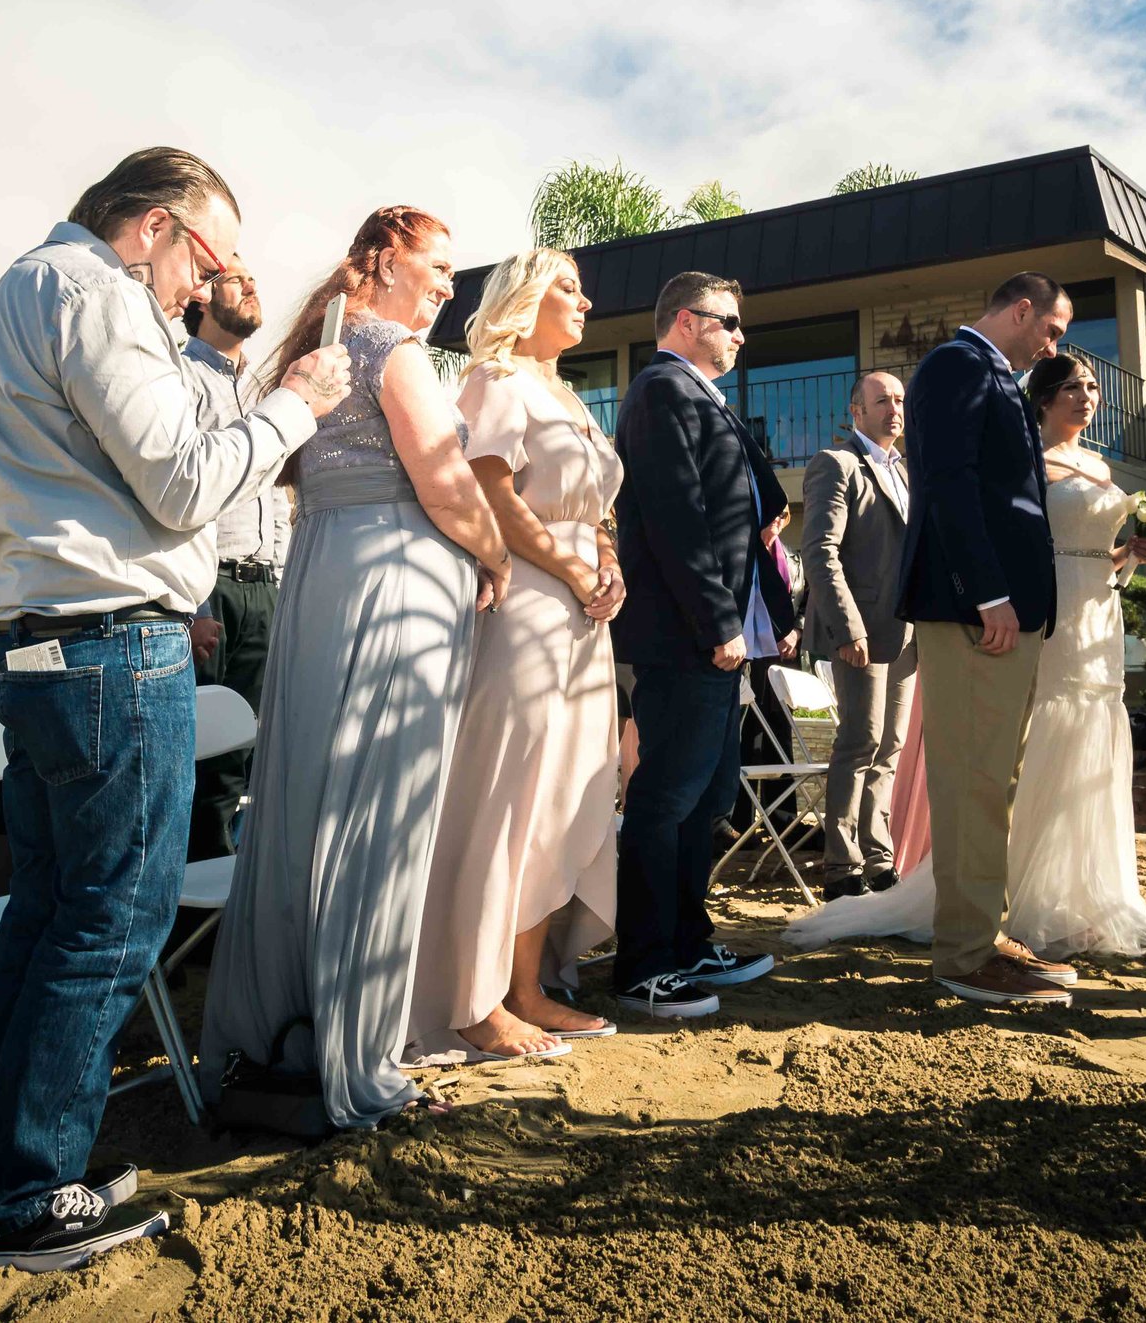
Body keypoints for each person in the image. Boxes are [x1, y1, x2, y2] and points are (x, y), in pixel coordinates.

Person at [0, 149, 351, 1276]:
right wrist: (291, 407)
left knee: (47, 915)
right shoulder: (96, 294)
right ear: (154, 229)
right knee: (114, 921)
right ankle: (24, 1197)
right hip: (108, 647)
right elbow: (180, 481)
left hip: (45, 643)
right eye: (208, 260)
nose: (205, 289)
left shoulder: (25, 289)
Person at [202, 206, 511, 1128]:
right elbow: (446, 482)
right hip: (395, 585)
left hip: (326, 574)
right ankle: (359, 1053)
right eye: (440, 265)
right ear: (382, 260)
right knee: (378, 807)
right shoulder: (394, 352)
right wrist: (495, 556)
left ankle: (291, 1035)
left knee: (309, 805)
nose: (450, 285)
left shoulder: (324, 350)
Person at [788, 350, 1146, 959]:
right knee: (899, 745)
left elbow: (1094, 556)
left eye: (1094, 386)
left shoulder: (1097, 463)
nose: (1089, 396)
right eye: (1074, 386)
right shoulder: (1017, 464)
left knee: (1081, 744)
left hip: (1098, 615)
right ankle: (856, 867)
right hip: (1033, 617)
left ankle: (1078, 891)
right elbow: (827, 552)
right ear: (1042, 398)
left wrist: (1127, 557)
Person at [407, 249, 623, 1065]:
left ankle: (528, 985)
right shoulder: (493, 379)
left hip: (584, 614)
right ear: (524, 299)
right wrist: (571, 568)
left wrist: (610, 566)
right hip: (527, 604)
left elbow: (595, 510)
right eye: (566, 286)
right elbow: (492, 487)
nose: (584, 299)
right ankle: (475, 995)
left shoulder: (569, 393)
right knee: (513, 794)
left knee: (566, 792)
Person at [608, 272, 794, 1020]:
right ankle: (643, 963)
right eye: (729, 322)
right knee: (666, 798)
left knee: (711, 794)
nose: (741, 335)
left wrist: (765, 609)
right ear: (685, 321)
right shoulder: (661, 392)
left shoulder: (704, 398)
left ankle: (688, 941)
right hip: (685, 634)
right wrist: (719, 617)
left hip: (721, 636)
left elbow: (750, 510)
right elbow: (677, 518)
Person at [893, 272, 1080, 1008]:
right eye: (1053, 330)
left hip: (1008, 613)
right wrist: (989, 592)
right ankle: (964, 955)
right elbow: (947, 482)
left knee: (990, 782)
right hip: (978, 611)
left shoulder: (994, 375)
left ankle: (979, 929)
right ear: (1022, 309)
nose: (1053, 346)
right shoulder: (955, 365)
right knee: (971, 782)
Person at [179, 265, 288, 861]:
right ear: (200, 297)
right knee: (197, 758)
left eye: (255, 277)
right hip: (210, 588)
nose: (251, 285)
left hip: (263, 588)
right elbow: (183, 493)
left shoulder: (266, 391)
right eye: (233, 277)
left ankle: (218, 918)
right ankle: (186, 927)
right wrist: (192, 605)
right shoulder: (181, 377)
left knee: (240, 759)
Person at [798, 371, 913, 900]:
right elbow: (820, 551)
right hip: (859, 631)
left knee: (890, 746)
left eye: (899, 400)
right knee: (859, 742)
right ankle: (841, 869)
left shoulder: (907, 473)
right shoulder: (836, 463)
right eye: (882, 400)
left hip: (906, 633)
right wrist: (847, 627)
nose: (894, 408)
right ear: (856, 413)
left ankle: (880, 859)